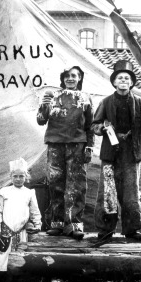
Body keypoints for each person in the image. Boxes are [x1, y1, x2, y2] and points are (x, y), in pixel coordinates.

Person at [91, 60, 141, 241]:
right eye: (120, 78)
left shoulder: (140, 102)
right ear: (114, 82)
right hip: (110, 155)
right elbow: (95, 125)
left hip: (131, 154)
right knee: (107, 192)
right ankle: (105, 230)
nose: (123, 80)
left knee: (131, 193)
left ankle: (132, 230)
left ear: (131, 83)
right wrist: (103, 129)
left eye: (126, 78)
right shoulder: (105, 102)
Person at [36, 66, 94, 240]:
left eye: (74, 76)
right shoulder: (52, 96)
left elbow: (90, 125)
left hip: (77, 144)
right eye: (67, 76)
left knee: (76, 185)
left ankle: (74, 224)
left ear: (79, 78)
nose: (70, 78)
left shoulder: (86, 98)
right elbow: (41, 120)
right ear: (63, 78)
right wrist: (44, 106)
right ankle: (57, 223)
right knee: (55, 183)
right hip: (55, 144)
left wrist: (89, 146)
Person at [0, 157, 42, 282]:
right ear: (10, 176)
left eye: (21, 176)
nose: (18, 179)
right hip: (5, 232)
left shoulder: (29, 193)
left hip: (21, 233)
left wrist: (37, 225)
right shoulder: (4, 192)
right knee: (1, 260)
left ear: (26, 176)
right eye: (15, 176)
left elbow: (35, 211)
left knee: (19, 261)